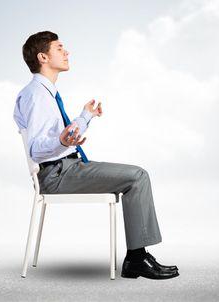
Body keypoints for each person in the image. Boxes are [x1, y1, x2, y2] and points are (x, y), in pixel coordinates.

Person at [13, 31, 179, 280]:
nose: (66, 52)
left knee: (135, 176)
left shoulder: (44, 93)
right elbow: (37, 149)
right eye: (60, 48)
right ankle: (136, 259)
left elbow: (65, 136)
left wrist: (85, 116)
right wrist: (61, 141)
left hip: (66, 167)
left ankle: (137, 257)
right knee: (137, 177)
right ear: (43, 57)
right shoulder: (37, 95)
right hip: (58, 174)